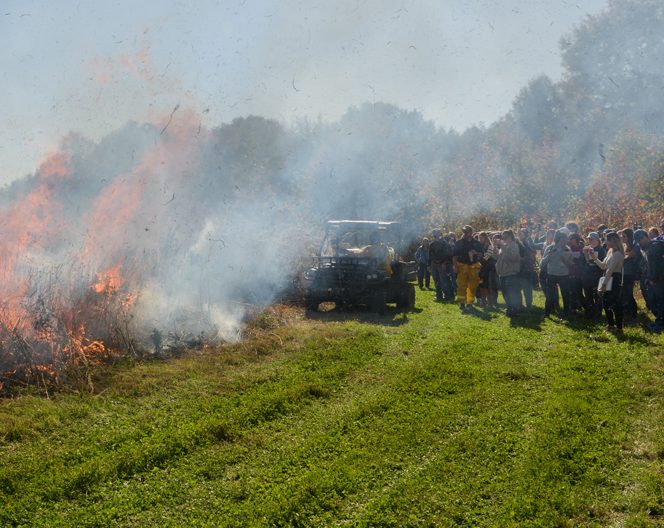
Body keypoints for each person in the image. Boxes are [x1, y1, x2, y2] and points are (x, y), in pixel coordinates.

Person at [590, 231, 625, 334]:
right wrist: (594, 258)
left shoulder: (618, 254)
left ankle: (619, 327)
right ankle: (610, 325)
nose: (605, 241)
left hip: (615, 279)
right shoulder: (610, 252)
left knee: (614, 304)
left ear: (612, 240)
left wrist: (604, 284)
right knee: (605, 303)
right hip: (608, 277)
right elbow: (603, 266)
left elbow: (610, 270)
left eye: (606, 239)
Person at [634, 229, 664, 332]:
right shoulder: (651, 247)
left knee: (660, 301)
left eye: (640, 240)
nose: (639, 243)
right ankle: (659, 320)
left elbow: (655, 266)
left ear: (645, 237)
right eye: (638, 241)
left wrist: (653, 279)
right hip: (653, 279)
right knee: (653, 301)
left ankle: (660, 323)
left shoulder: (654, 247)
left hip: (658, 280)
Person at [540, 230, 572, 318]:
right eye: (563, 239)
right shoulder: (550, 248)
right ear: (558, 239)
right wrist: (548, 256)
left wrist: (565, 261)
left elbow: (571, 263)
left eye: (565, 239)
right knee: (550, 295)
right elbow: (542, 264)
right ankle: (547, 313)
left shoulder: (567, 249)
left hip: (564, 275)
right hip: (552, 275)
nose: (565, 241)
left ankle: (566, 313)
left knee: (565, 295)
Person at [453, 225, 484, 311]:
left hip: (473, 267)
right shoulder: (459, 242)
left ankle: (469, 303)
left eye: (467, 231)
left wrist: (476, 253)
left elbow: (481, 254)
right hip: (462, 266)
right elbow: (454, 256)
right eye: (464, 232)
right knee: (461, 285)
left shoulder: (477, 243)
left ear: (471, 232)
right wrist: (455, 266)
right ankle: (462, 303)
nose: (465, 233)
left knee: (473, 286)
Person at [495, 230, 523, 317]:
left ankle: (515, 309)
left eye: (505, 237)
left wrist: (503, 247)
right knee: (505, 293)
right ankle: (510, 308)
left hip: (511, 273)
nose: (503, 239)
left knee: (511, 293)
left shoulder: (514, 246)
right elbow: (496, 257)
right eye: (502, 237)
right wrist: (494, 247)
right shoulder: (504, 246)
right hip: (502, 273)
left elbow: (512, 258)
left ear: (511, 237)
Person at [581, 232, 606, 318]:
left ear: (597, 240)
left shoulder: (601, 250)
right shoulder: (587, 248)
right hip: (587, 274)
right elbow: (586, 262)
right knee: (588, 293)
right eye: (588, 239)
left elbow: (603, 264)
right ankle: (589, 311)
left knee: (597, 294)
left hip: (597, 275)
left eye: (591, 239)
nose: (589, 240)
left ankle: (598, 312)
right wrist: (584, 255)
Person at [619, 228, 640, 320]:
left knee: (629, 294)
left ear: (629, 237)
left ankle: (633, 314)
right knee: (624, 293)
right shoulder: (624, 245)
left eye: (624, 236)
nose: (622, 237)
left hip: (630, 273)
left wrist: (623, 255)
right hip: (623, 272)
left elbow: (630, 255)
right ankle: (627, 311)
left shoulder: (635, 245)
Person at [428, 230, 453, 301]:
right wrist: (429, 265)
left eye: (436, 235)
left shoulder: (445, 244)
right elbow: (430, 255)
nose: (435, 237)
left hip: (442, 264)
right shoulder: (432, 244)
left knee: (444, 280)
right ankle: (439, 295)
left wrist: (445, 263)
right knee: (436, 280)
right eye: (434, 236)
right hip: (434, 264)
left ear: (440, 235)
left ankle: (447, 295)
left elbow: (449, 255)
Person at [517, 228, 537, 309]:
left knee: (527, 288)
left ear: (525, 235)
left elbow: (531, 255)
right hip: (519, 268)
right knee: (519, 287)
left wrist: (522, 259)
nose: (518, 235)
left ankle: (529, 304)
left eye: (520, 234)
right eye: (518, 233)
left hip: (525, 269)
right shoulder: (518, 242)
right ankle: (521, 304)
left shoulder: (526, 243)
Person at [478, 232, 497, 309]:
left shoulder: (490, 246)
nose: (480, 240)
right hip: (482, 268)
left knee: (487, 286)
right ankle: (483, 302)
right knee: (482, 285)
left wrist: (479, 257)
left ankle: (490, 303)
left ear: (485, 238)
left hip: (488, 269)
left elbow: (486, 258)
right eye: (479, 238)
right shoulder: (481, 246)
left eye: (481, 238)